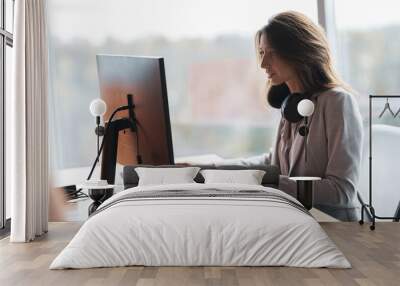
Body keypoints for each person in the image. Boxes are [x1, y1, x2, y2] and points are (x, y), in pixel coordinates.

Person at [253, 11, 363, 221]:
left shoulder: (337, 103)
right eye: (261, 52)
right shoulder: (290, 105)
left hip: (336, 230)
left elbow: (342, 191)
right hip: (298, 222)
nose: (263, 63)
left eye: (272, 53)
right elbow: (272, 163)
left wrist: (270, 181)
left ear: (299, 52)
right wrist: (210, 169)